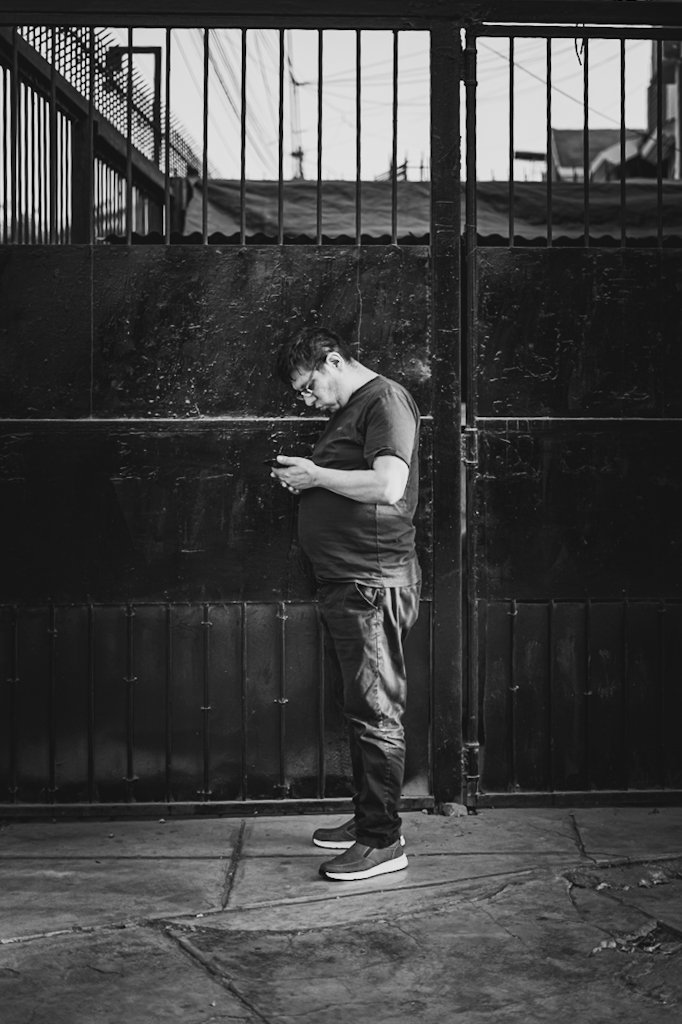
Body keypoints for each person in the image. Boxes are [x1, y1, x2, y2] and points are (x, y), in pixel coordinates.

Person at [273, 326, 421, 882]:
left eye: (309, 387)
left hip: (370, 582)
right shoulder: (356, 407)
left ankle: (382, 841)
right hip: (351, 581)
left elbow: (388, 486)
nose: (308, 400)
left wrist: (315, 475)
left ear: (333, 361)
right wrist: (312, 483)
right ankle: (368, 821)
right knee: (362, 709)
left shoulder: (385, 400)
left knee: (376, 712)